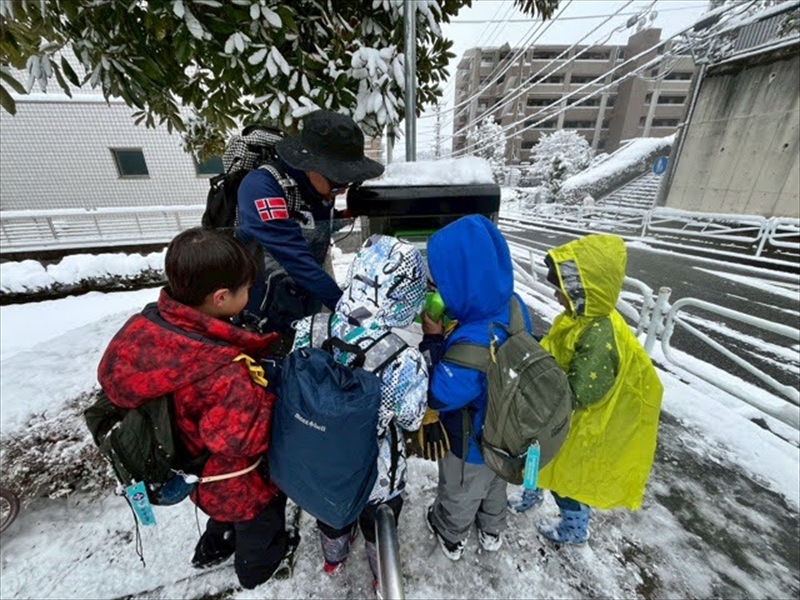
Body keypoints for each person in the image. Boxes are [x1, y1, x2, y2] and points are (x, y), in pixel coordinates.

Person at [97, 228, 290, 590]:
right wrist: (268, 398)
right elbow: (239, 442)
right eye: (245, 289)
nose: (249, 295)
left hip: (185, 462)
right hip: (232, 477)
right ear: (220, 297)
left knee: (219, 511)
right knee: (257, 520)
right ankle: (258, 573)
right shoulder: (224, 370)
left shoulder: (147, 328)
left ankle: (213, 547)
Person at [291, 234, 429, 595]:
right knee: (377, 522)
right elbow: (412, 419)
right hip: (374, 472)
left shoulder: (310, 328)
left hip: (319, 458)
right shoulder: (402, 356)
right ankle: (381, 571)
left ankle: (333, 556)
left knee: (330, 513)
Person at [508, 234, 663, 545]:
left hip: (573, 422)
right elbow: (558, 350)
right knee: (535, 457)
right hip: (551, 413)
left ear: (585, 292)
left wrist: (544, 386)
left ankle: (574, 528)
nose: (556, 295)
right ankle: (531, 492)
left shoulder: (598, 335)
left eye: (563, 290)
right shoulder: (578, 319)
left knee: (567, 479)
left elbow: (582, 390)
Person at [418, 215, 534, 561]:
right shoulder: (513, 305)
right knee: (496, 485)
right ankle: (492, 530)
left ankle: (451, 535)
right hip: (507, 433)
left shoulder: (472, 346)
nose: (437, 290)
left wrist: (434, 339)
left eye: (440, 284)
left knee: (460, 491)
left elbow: (438, 393)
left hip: (470, 442)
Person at [235, 109, 384, 347]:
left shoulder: (315, 187)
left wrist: (344, 216)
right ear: (309, 165)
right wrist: (349, 309)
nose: (342, 190)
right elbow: (295, 259)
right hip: (263, 305)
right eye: (337, 183)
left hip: (306, 294)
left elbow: (312, 225)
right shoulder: (262, 188)